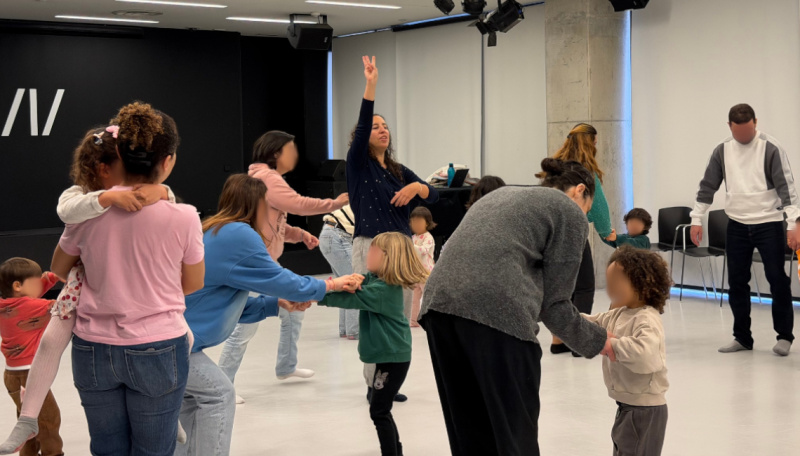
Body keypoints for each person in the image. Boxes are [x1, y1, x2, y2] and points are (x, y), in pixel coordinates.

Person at [0, 125, 185, 454]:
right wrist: (107, 198)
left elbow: (163, 199)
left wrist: (164, 192)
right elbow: (66, 212)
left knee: (183, 334)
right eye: (123, 165)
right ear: (101, 170)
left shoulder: (143, 195)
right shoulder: (80, 197)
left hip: (133, 293)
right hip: (82, 286)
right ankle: (28, 417)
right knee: (50, 343)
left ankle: (171, 412)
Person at [418, 158, 617, 456]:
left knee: (470, 433)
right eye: (588, 210)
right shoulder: (568, 212)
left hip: (438, 307)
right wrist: (600, 341)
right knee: (514, 437)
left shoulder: (502, 195)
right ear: (580, 191)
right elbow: (556, 305)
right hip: (497, 313)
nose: (585, 217)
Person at [50, 102, 205, 455]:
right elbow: (193, 283)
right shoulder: (183, 217)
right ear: (167, 161)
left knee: (106, 448)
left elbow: (59, 269)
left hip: (92, 347)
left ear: (117, 152)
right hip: (159, 346)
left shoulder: (90, 210)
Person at [177, 174, 362, 456]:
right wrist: (329, 284)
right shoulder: (239, 234)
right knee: (219, 395)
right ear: (256, 204)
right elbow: (283, 280)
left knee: (194, 402)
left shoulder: (218, 230)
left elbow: (227, 303)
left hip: (179, 340)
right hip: (177, 345)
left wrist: (276, 304)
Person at [218, 131, 349, 400]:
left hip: (265, 261)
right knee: (244, 329)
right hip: (255, 265)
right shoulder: (268, 178)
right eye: (291, 149)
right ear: (276, 152)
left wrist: (298, 234)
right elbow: (298, 204)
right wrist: (334, 203)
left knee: (294, 308)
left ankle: (286, 366)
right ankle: (223, 387)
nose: (295, 156)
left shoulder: (262, 177)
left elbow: (272, 223)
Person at [348, 56, 439, 402]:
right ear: (362, 136)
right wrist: (371, 84)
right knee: (375, 313)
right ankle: (373, 384)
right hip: (372, 244)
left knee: (399, 317)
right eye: (375, 126)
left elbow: (437, 194)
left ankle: (387, 379)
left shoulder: (399, 170)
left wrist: (419, 189)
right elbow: (362, 122)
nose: (382, 129)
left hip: (400, 248)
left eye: (385, 126)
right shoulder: (359, 165)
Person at [690, 103, 799, 356]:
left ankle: (784, 336)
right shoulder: (722, 150)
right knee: (737, 282)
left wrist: (793, 224)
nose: (745, 137)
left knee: (777, 279)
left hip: (769, 223)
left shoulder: (770, 147)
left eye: (749, 131)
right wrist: (697, 218)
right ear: (730, 126)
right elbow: (708, 186)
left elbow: (788, 189)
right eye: (739, 132)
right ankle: (742, 337)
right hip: (737, 224)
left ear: (755, 122)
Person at [318, 232, 429, 456]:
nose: (368, 252)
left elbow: (348, 298)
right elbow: (360, 280)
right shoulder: (377, 280)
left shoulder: (383, 290)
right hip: (390, 357)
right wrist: (355, 279)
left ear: (389, 257)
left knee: (379, 411)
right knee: (380, 410)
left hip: (393, 360)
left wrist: (312, 293)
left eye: (374, 250)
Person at [584, 247, 671, 456]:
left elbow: (646, 354)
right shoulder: (618, 314)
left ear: (640, 284)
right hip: (628, 405)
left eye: (617, 282)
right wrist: (563, 317)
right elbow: (591, 323)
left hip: (644, 410)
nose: (611, 289)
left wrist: (610, 345)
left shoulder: (646, 318)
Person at [542, 123, 614, 355]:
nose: (596, 146)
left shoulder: (556, 168)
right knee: (584, 286)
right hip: (572, 231)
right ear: (590, 142)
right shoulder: (584, 171)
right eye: (595, 141)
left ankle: (558, 340)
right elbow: (599, 208)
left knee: (560, 287)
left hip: (549, 232)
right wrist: (607, 233)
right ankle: (578, 343)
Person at [0, 259, 63, 456]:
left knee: (27, 423)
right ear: (18, 286)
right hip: (31, 376)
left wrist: (52, 277)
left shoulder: (5, 304)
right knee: (49, 423)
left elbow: (29, 296)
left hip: (11, 375)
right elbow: (64, 305)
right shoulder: (33, 307)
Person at [319, 204, 360, 340]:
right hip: (338, 235)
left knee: (344, 285)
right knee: (352, 283)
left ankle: (346, 329)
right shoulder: (372, 203)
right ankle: (354, 330)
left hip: (329, 233)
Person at [409, 206, 436, 327]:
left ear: (427, 223)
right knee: (414, 299)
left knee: (427, 297)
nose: (416, 225)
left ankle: (430, 320)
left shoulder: (428, 237)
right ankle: (413, 320)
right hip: (415, 273)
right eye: (414, 222)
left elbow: (423, 251)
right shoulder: (413, 237)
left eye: (419, 222)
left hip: (426, 273)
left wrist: (409, 245)